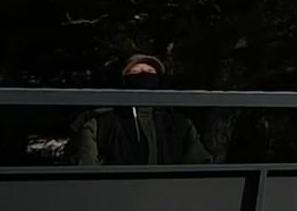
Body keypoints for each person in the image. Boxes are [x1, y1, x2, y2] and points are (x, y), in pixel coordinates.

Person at [68, 53, 213, 165]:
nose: (144, 75)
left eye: (150, 71)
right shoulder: (101, 124)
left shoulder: (180, 123)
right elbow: (86, 165)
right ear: (124, 80)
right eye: (136, 71)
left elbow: (199, 164)